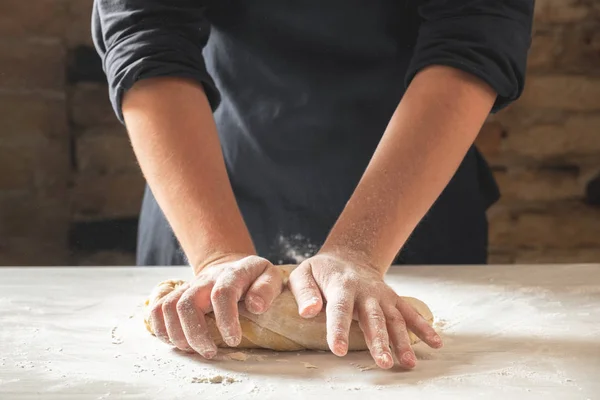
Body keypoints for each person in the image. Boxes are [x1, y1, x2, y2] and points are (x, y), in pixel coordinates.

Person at [92, 0, 534, 369]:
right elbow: (146, 38)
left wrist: (361, 250)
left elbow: (472, 39)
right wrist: (218, 255)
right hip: (211, 185)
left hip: (412, 192)